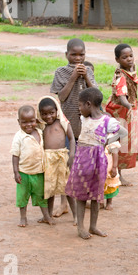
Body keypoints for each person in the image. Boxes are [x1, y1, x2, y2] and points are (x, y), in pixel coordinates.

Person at [65, 87, 127, 239]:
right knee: (81, 195)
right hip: (82, 161)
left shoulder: (107, 121)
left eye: (80, 106)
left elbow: (123, 132)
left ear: (88, 104)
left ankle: (93, 226)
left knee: (95, 195)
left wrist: (106, 141)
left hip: (98, 162)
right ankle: (81, 228)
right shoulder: (83, 118)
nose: (79, 110)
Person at [50, 38, 98, 216]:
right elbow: (61, 97)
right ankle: (63, 203)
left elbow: (96, 95)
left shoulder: (89, 71)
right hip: (68, 125)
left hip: (87, 127)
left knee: (85, 166)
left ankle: (82, 197)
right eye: (74, 55)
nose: (78, 58)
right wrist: (72, 77)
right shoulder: (61, 72)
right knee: (66, 165)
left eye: (81, 54)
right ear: (66, 55)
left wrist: (86, 76)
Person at [11, 105, 54, 227]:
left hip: (39, 172)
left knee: (41, 196)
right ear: (19, 122)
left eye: (31, 121)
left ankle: (46, 216)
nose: (28, 125)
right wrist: (16, 172)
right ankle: (23, 217)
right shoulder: (19, 136)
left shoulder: (40, 132)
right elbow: (15, 155)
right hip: (24, 173)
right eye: (24, 122)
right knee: (22, 197)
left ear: (36, 120)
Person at [37, 95, 77, 225]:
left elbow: (71, 138)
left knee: (68, 189)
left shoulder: (62, 123)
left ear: (57, 111)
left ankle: (76, 216)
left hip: (62, 158)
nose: (48, 116)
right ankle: (48, 216)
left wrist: (71, 155)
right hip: (48, 159)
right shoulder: (42, 126)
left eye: (51, 113)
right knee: (50, 189)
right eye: (44, 114)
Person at [105, 43, 138, 186]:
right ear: (117, 59)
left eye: (131, 56)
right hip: (120, 111)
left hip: (127, 110)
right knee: (118, 143)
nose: (129, 59)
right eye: (125, 57)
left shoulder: (130, 70)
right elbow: (121, 97)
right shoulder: (120, 76)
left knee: (124, 142)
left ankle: (117, 174)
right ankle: (116, 175)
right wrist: (129, 106)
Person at [101, 141, 121, 210]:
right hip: (100, 170)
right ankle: (100, 202)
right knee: (99, 186)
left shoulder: (112, 142)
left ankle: (109, 202)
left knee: (110, 185)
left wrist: (114, 167)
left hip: (109, 170)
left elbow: (115, 154)